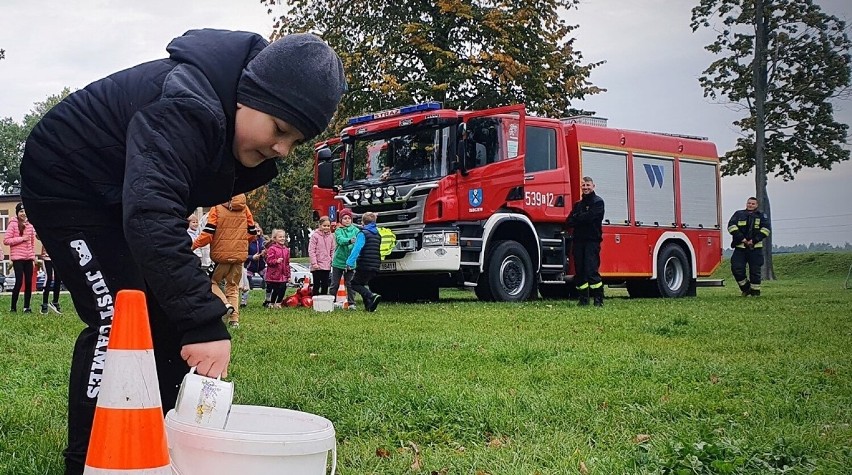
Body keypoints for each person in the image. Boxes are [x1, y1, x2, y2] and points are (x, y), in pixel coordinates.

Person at [19, 30, 345, 474]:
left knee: (167, 315)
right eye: (280, 129)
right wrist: (202, 318)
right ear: (246, 97)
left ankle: (161, 440)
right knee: (119, 317)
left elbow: (158, 213)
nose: (282, 149)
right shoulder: (186, 107)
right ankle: (90, 460)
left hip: (123, 193)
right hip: (68, 183)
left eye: (297, 141)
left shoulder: (234, 140)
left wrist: (186, 313)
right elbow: (151, 214)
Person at [192, 193, 257, 327]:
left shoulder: (216, 208)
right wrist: (240, 244)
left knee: (210, 282)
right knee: (233, 287)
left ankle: (225, 304)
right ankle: (234, 321)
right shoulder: (245, 209)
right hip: (239, 257)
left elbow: (208, 234)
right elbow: (252, 232)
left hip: (220, 257)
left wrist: (193, 246)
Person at [566, 176, 605, 306]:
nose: (586, 187)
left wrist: (578, 218)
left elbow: (590, 218)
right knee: (580, 271)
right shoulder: (578, 205)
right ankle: (583, 300)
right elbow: (569, 221)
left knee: (591, 270)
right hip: (578, 242)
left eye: (588, 185)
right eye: (583, 185)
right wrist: (580, 218)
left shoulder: (598, 202)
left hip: (592, 242)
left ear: (593, 186)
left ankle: (598, 300)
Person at [727, 196, 771, 296]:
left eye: (752, 204)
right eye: (749, 203)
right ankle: (746, 288)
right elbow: (731, 226)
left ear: (756, 205)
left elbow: (766, 230)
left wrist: (754, 240)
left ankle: (755, 293)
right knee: (736, 268)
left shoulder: (762, 216)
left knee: (755, 272)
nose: (750, 205)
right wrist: (742, 238)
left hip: (755, 248)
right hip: (740, 247)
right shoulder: (738, 214)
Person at [346, 211, 382, 312]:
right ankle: (369, 306)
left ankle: (371, 296)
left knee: (354, 284)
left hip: (364, 264)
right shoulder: (377, 234)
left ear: (363, 222)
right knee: (361, 284)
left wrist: (349, 262)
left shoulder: (363, 234)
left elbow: (357, 249)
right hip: (375, 264)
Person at [4, 203, 36, 313]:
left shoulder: (30, 225)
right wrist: (21, 239)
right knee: (19, 282)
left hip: (28, 258)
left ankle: (27, 307)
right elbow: (6, 240)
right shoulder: (13, 224)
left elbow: (32, 243)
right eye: (21, 211)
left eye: (25, 211)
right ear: (17, 213)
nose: (23, 213)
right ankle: (13, 307)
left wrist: (32, 258)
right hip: (18, 258)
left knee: (28, 283)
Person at [329, 208, 358, 309]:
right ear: (341, 220)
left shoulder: (356, 230)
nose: (347, 220)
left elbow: (359, 242)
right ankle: (331, 302)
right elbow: (341, 241)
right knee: (334, 284)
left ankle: (351, 303)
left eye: (349, 218)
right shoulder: (338, 230)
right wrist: (350, 241)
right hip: (338, 262)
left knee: (350, 284)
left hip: (351, 262)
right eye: (344, 218)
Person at [308, 216, 335, 296]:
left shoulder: (331, 236)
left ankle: (324, 300)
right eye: (324, 225)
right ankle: (315, 299)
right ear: (320, 225)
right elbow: (311, 250)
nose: (326, 227)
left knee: (325, 284)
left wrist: (332, 260)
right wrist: (314, 263)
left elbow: (333, 250)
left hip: (326, 265)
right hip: (317, 265)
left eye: (328, 226)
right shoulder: (315, 236)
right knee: (316, 284)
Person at [264, 229, 291, 307]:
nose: (282, 238)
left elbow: (287, 264)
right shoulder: (272, 249)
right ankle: (272, 303)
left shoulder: (286, 250)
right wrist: (276, 261)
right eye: (280, 237)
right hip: (274, 274)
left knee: (283, 288)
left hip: (283, 275)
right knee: (275, 289)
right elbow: (268, 261)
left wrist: (288, 275)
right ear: (275, 239)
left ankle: (278, 302)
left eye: (283, 237)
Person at [241, 224, 266, 307]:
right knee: (246, 283)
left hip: (261, 266)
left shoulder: (263, 241)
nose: (256, 229)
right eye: (254, 227)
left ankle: (268, 300)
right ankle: (243, 301)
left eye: (258, 227)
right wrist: (252, 257)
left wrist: (265, 253)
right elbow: (243, 255)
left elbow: (267, 251)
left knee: (268, 280)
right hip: (249, 267)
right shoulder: (247, 241)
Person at [39, 239, 63, 314]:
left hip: (58, 256)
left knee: (58, 279)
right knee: (48, 278)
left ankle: (55, 302)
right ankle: (44, 303)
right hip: (47, 257)